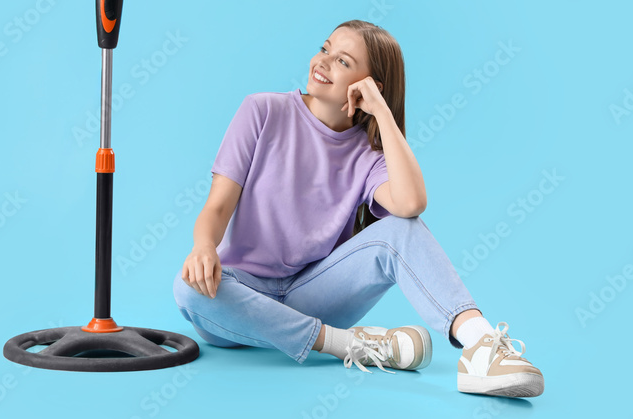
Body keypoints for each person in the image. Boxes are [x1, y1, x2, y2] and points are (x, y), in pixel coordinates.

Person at [172, 20, 544, 397]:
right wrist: (203, 247)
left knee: (402, 227)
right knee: (188, 291)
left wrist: (382, 113)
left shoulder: (370, 156)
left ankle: (480, 345)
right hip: (240, 293)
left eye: (344, 61)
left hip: (312, 297)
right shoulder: (262, 110)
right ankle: (352, 346)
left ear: (369, 86)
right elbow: (218, 207)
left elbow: (412, 203)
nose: (324, 61)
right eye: (325, 48)